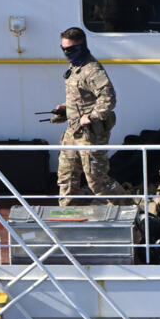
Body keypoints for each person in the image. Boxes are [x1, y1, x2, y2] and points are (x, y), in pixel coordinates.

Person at [52, 27, 125, 206]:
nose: (67, 53)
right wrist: (65, 109)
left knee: (97, 182)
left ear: (82, 46)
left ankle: (131, 211)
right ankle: (67, 220)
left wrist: (91, 116)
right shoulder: (75, 67)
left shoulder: (92, 69)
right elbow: (82, 99)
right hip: (72, 132)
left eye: (71, 49)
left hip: (90, 135)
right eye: (63, 49)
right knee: (66, 179)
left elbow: (108, 97)